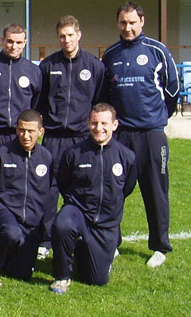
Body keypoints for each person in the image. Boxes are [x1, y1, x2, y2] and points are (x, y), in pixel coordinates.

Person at [102, 1, 179, 268]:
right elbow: (105, 96)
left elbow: (172, 90)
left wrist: (157, 118)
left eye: (132, 22)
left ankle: (159, 246)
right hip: (121, 136)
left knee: (155, 189)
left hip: (151, 135)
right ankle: (112, 242)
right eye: (123, 23)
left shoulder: (157, 51)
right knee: (114, 189)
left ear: (142, 22)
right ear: (117, 24)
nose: (128, 27)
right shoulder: (110, 54)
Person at [37, 15, 105, 260]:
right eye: (62, 36)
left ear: (79, 35)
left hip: (81, 138)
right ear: (58, 38)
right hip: (54, 138)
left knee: (81, 188)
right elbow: (40, 100)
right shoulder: (48, 66)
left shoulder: (95, 67)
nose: (67, 40)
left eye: (70, 35)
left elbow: (99, 102)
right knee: (49, 188)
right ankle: (46, 239)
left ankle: (82, 235)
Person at [50, 103, 136, 294]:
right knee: (62, 225)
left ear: (115, 125)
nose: (99, 128)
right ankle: (62, 276)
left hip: (106, 222)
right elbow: (64, 183)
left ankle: (84, 250)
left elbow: (127, 187)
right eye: (94, 123)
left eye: (104, 123)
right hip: (79, 211)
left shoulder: (126, 156)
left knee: (96, 280)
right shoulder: (74, 153)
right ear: (88, 123)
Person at [0, 23, 41, 259]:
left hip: (19, 135)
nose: (14, 46)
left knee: (19, 184)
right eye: (9, 41)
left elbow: (36, 105)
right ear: (2, 40)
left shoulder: (33, 71)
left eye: (19, 42)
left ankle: (23, 234)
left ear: (25, 43)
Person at [0, 110, 52, 286]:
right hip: (5, 212)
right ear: (16, 129)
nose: (26, 135)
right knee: (11, 233)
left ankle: (5, 253)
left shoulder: (47, 158)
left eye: (31, 131)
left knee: (22, 274)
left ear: (40, 131)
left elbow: (49, 194)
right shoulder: (0, 154)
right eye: (21, 130)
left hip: (31, 222)